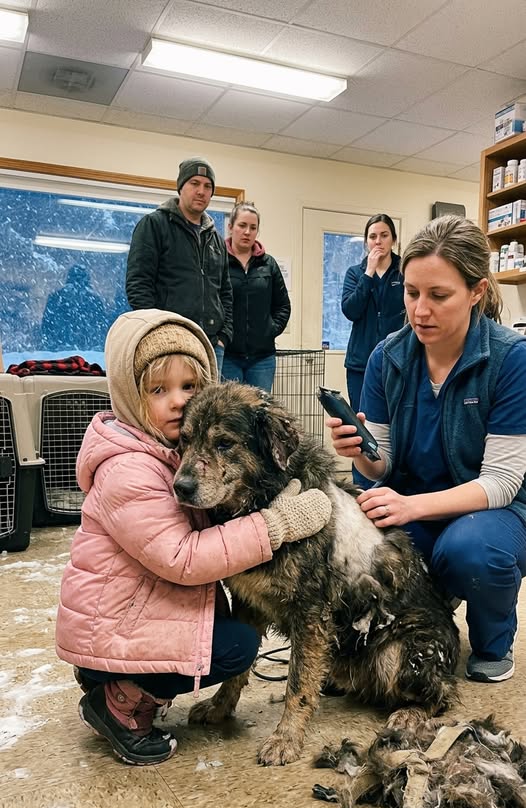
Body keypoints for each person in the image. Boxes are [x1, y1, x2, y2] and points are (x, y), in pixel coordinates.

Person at [55, 309, 331, 765]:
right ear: (128, 393)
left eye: (190, 387)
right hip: (113, 630)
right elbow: (185, 558)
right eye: (159, 389)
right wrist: (276, 525)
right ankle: (119, 701)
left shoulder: (157, 447)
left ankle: (126, 680)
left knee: (235, 624)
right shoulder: (128, 468)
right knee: (236, 645)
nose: (179, 402)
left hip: (125, 618)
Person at [329, 214, 526, 684]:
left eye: (438, 296)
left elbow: (500, 483)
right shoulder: (387, 356)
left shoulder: (511, 358)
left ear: (476, 292)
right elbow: (381, 466)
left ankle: (492, 640)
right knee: (351, 545)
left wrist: (409, 506)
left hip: (489, 512)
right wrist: (359, 451)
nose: (420, 310)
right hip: (412, 502)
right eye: (411, 292)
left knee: (472, 551)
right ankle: (372, 641)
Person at [125, 157, 232, 375]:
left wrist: (224, 336)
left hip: (211, 345)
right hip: (170, 342)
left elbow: (226, 293)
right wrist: (157, 330)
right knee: (174, 407)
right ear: (181, 187)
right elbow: (138, 283)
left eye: (207, 186)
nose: (201, 191)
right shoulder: (154, 225)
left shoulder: (216, 240)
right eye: (194, 183)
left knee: (208, 409)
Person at [221, 202, 290, 392]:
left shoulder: (269, 264)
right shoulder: (219, 261)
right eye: (242, 225)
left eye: (253, 228)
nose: (247, 232)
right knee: (230, 414)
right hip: (228, 356)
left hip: (262, 358)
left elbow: (283, 306)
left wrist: (270, 330)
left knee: (260, 415)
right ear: (231, 227)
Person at [341, 213, 405, 409]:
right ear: (366, 242)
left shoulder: (405, 269)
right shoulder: (355, 272)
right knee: (361, 419)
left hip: (397, 359)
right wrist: (368, 273)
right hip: (360, 362)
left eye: (384, 235)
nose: (378, 241)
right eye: (372, 236)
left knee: (395, 416)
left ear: (393, 239)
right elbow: (351, 310)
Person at [40, 265, 108, 351]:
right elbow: (46, 326)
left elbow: (46, 326)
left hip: (76, 349)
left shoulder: (56, 298)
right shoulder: (56, 299)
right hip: (66, 348)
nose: (77, 286)